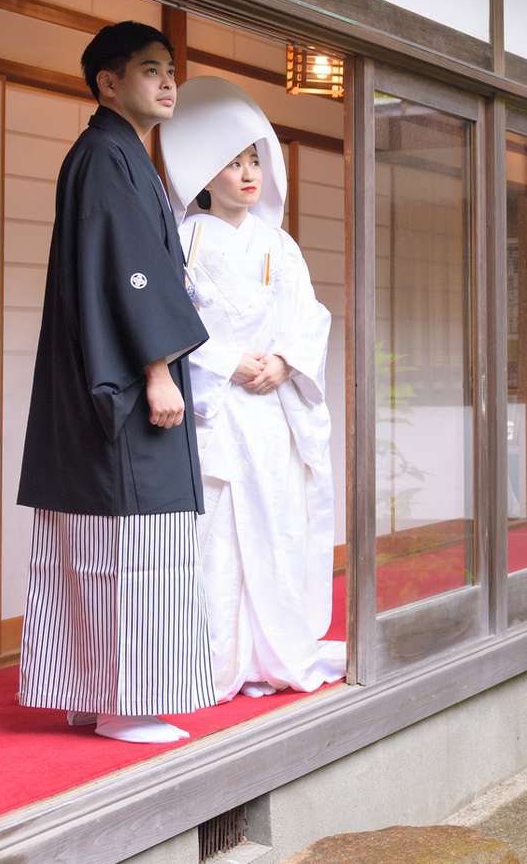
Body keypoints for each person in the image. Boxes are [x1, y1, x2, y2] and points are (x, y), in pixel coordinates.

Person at [16, 21, 214, 745]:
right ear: (107, 82)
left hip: (97, 378)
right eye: (150, 69)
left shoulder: (112, 152)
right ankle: (126, 702)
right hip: (125, 384)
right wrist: (158, 370)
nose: (167, 82)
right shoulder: (106, 154)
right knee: (133, 545)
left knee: (89, 543)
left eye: (171, 70)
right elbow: (127, 271)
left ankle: (86, 690)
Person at [161, 76, 344, 703]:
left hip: (270, 410)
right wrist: (230, 361)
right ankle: (211, 660)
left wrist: (287, 362)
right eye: (233, 164)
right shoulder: (183, 241)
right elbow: (171, 322)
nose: (246, 175)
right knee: (214, 537)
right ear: (205, 175)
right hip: (218, 408)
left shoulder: (279, 245)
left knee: (278, 526)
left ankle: (273, 654)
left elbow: (309, 316)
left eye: (254, 162)